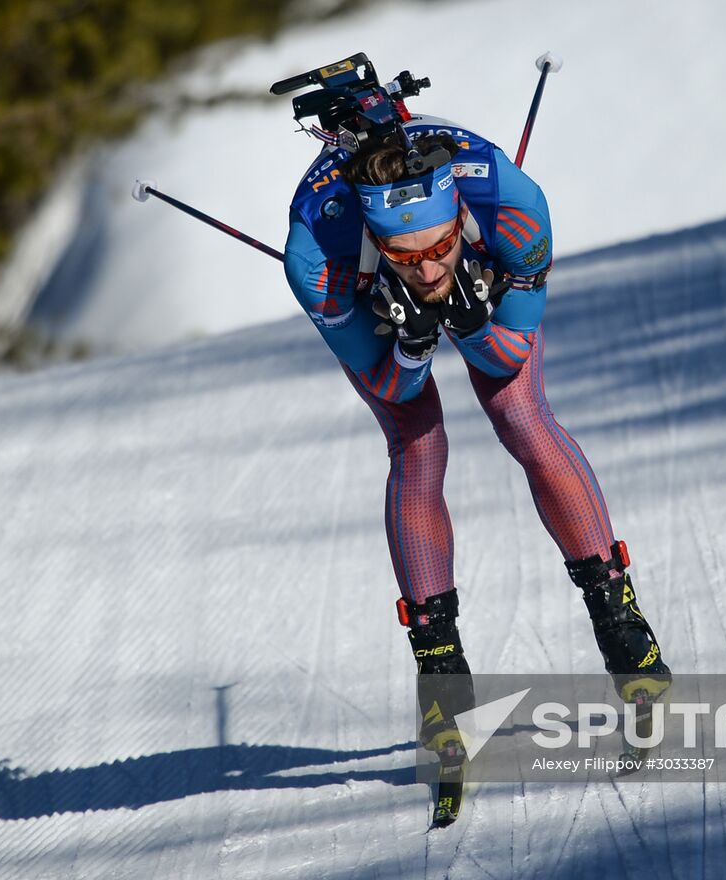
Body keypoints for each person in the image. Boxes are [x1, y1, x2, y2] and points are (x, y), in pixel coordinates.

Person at [282, 115, 670, 756]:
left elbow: (503, 358)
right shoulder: (317, 260)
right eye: (407, 258)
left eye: (439, 249)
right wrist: (409, 349)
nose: (429, 271)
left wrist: (475, 321)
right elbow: (396, 392)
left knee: (521, 416)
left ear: (460, 214)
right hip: (363, 290)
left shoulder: (514, 209)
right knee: (417, 443)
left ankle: (625, 633)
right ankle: (440, 675)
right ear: (378, 245)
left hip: (482, 261)